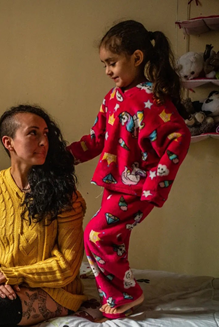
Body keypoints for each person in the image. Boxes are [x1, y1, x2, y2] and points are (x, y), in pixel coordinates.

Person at [67, 20, 191, 320]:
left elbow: (179, 137)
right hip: (115, 185)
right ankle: (119, 295)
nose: (108, 71)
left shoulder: (152, 98)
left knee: (96, 235)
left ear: (137, 58)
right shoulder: (112, 99)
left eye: (112, 62)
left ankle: (127, 294)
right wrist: (64, 156)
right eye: (104, 64)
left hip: (137, 187)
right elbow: (96, 139)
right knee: (113, 241)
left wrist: (155, 183)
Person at [0, 104, 87, 327]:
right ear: (8, 142)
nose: (43, 142)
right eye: (33, 133)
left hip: (55, 290)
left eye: (46, 134)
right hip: (10, 286)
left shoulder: (65, 195)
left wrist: (12, 274)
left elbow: (68, 266)